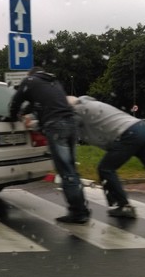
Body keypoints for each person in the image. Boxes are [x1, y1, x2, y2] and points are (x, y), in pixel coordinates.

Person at [68, 95, 145, 221]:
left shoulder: (78, 109)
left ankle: (123, 206)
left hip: (128, 134)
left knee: (106, 169)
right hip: (140, 128)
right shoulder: (89, 105)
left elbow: (70, 119)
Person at [8, 66, 90, 224]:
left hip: (56, 126)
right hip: (71, 124)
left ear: (30, 74)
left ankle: (78, 213)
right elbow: (38, 103)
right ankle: (82, 208)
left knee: (65, 171)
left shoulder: (29, 81)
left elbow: (16, 102)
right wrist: (26, 111)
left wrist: (12, 117)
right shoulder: (53, 82)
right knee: (72, 168)